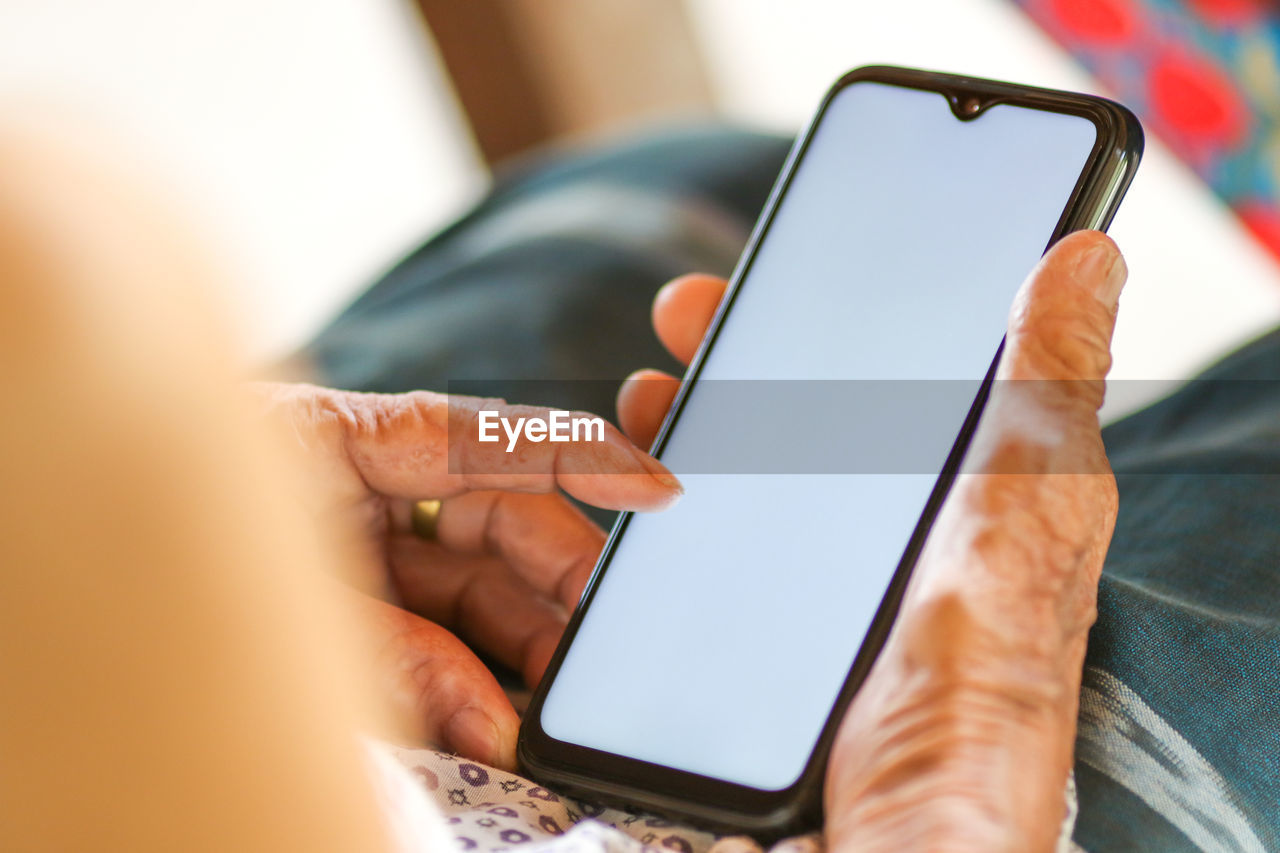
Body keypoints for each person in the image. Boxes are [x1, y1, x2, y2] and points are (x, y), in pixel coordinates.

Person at [2, 114, 1135, 853]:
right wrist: (946, 792)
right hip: (846, 811)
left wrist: (180, 547)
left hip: (410, 712)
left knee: (709, 188)